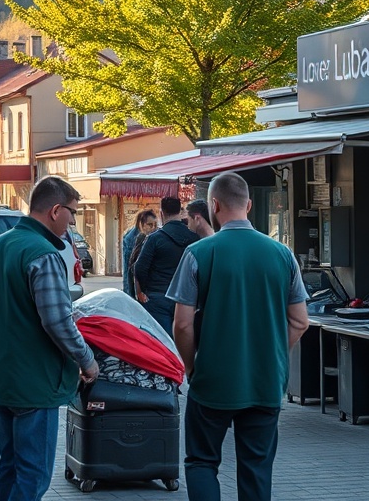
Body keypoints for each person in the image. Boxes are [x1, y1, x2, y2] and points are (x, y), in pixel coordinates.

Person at [167, 172, 309, 501]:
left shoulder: (198, 253)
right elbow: (300, 321)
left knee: (201, 461)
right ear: (249, 205)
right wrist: (272, 355)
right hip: (265, 381)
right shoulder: (283, 254)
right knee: (256, 467)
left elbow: (182, 325)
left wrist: (191, 367)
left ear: (214, 205)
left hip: (212, 380)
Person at [0, 177, 98, 501]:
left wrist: (5, 341)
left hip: (0, 378)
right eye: (72, 212)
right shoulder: (43, 253)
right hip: (35, 383)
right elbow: (58, 321)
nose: (72, 222)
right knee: (33, 474)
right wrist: (87, 360)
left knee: (10, 466)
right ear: (55, 210)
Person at [133, 196, 198, 337]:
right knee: (183, 341)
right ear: (180, 212)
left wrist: (142, 291)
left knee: (162, 341)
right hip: (186, 299)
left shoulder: (155, 238)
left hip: (158, 298)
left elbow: (140, 268)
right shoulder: (195, 238)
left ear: (162, 213)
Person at [121, 209, 157, 297]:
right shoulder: (131, 239)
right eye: (149, 225)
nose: (153, 228)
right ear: (142, 224)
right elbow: (128, 270)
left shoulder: (154, 236)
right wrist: (130, 294)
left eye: (155, 225)